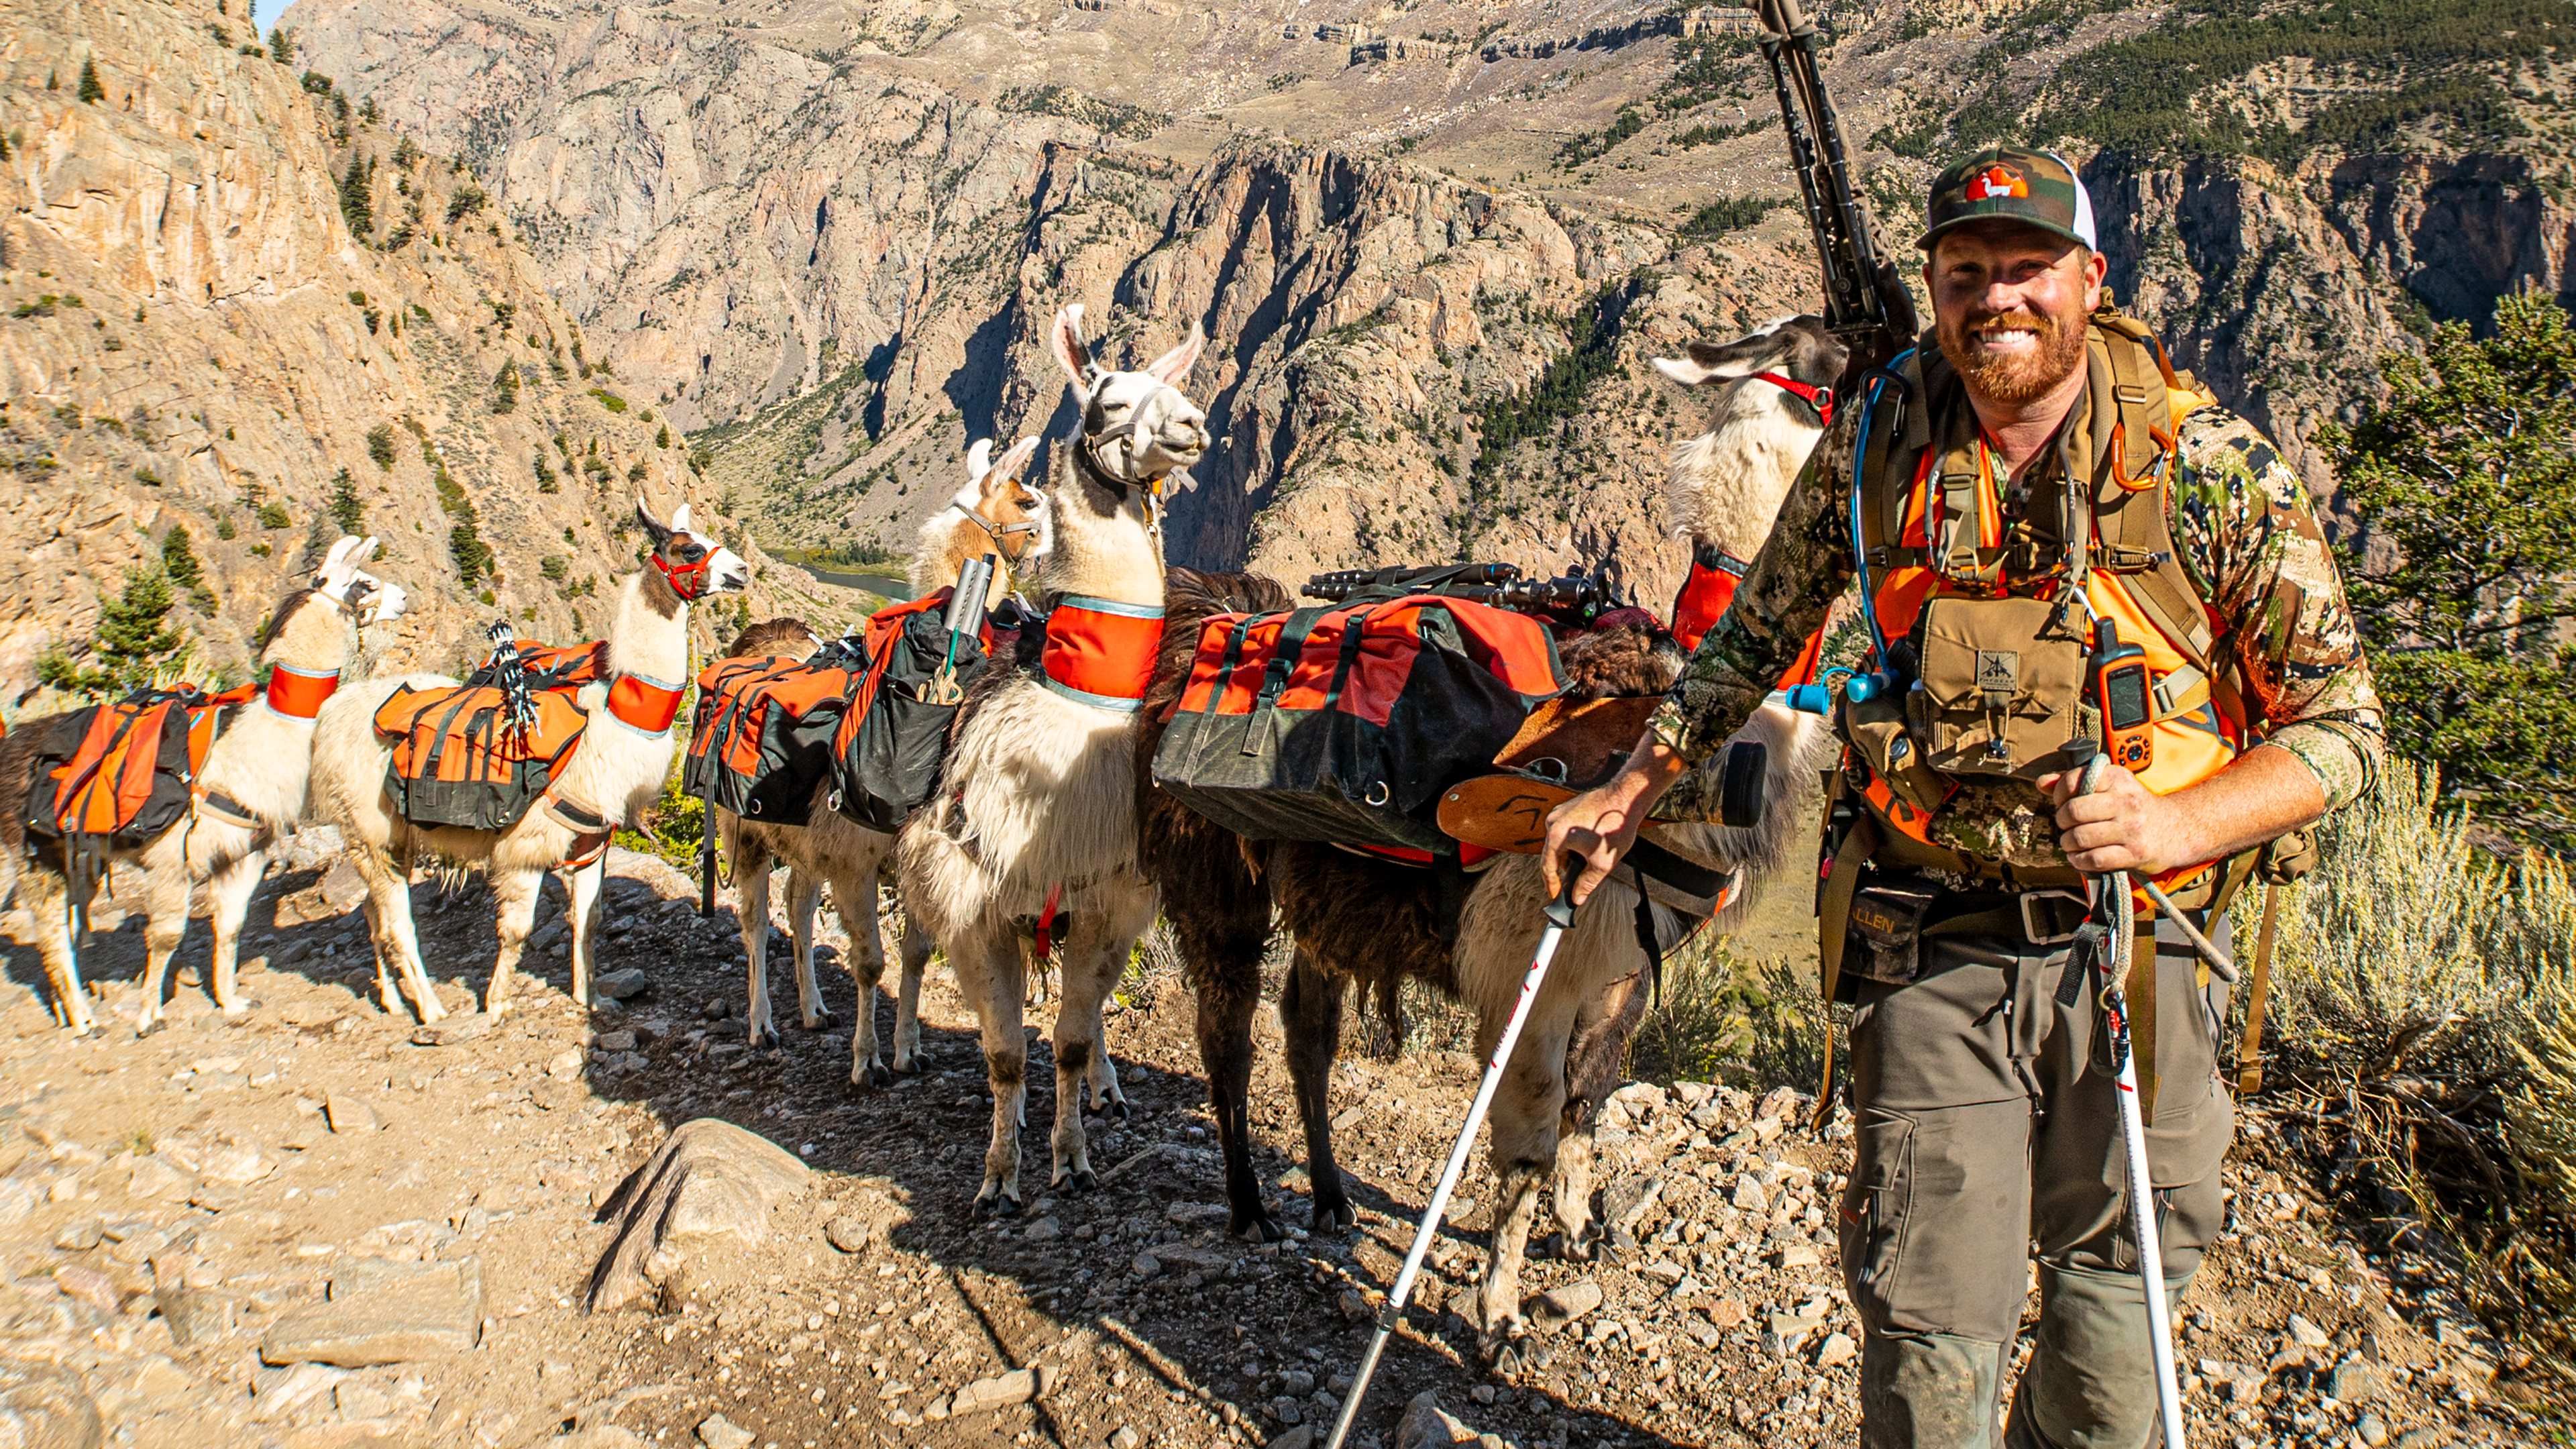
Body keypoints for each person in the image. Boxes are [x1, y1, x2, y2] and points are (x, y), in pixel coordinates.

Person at [1542, 145, 2384, 1448]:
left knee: (2115, 1360)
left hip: (2139, 948)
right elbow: (1750, 642)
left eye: (2028, 269)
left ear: (2089, 281)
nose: (1997, 297)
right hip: (1928, 933)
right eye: (1966, 272)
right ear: (1936, 288)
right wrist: (1634, 779)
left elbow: (2345, 728)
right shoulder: (1876, 447)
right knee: (1928, 1347)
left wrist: (2176, 824)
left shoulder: (2203, 463)